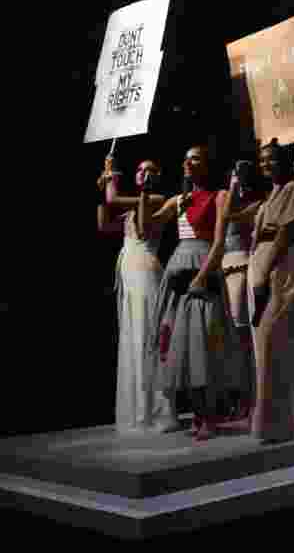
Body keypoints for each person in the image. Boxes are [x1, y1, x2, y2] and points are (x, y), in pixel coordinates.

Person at [143, 145, 240, 441]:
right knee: (181, 344)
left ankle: (210, 415)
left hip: (202, 272)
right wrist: (146, 192)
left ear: (207, 164)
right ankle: (197, 414)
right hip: (178, 277)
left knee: (204, 343)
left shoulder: (219, 196)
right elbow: (147, 226)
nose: (187, 162)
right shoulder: (179, 200)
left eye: (195, 158)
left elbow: (220, 242)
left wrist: (201, 277)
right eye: (185, 158)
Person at [96, 154, 175, 432]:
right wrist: (102, 189)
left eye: (151, 169)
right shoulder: (131, 209)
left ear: (158, 176)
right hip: (129, 272)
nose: (144, 173)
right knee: (133, 335)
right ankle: (137, 408)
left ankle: (156, 409)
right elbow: (105, 224)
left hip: (145, 269)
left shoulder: (158, 200)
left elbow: (114, 199)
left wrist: (110, 176)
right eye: (141, 170)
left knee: (147, 335)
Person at [246, 138, 294, 443]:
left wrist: (264, 272)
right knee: (263, 350)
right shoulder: (269, 195)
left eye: (270, 158)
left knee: (273, 344)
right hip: (261, 268)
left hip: (279, 270)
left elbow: (287, 231)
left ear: (282, 160)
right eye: (262, 160)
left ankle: (276, 425)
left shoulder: (292, 189)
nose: (265, 164)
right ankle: (272, 425)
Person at [220, 159, 263, 422]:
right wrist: (230, 191)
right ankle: (233, 398)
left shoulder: (255, 202)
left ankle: (249, 397)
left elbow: (230, 217)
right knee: (226, 337)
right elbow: (220, 220)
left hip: (241, 263)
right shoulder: (224, 196)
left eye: (243, 174)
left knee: (241, 334)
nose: (238, 177)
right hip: (223, 265)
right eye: (235, 173)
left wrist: (235, 193)